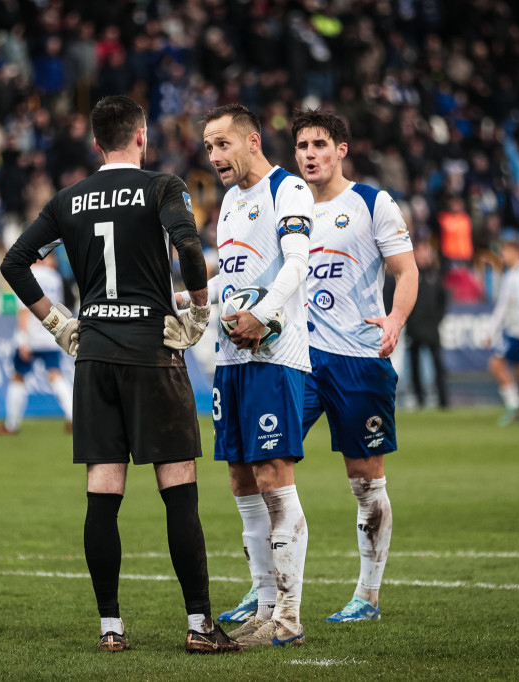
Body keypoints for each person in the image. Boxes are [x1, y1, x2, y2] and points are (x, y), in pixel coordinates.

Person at [0, 95, 240, 655]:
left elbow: (14, 261)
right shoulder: (162, 186)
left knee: (102, 491)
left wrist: (59, 323)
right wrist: (200, 312)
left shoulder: (68, 199)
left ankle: (111, 626)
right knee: (177, 488)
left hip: (95, 355)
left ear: (96, 143)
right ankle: (200, 625)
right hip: (152, 351)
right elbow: (187, 244)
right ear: (141, 137)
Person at [282, 108, 419, 623]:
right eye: (301, 147)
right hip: (296, 359)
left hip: (358, 360)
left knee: (365, 480)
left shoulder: (371, 203)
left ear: (341, 150)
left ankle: (367, 596)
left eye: (319, 145)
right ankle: (268, 591)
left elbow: (406, 271)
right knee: (261, 467)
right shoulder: (284, 205)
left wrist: (395, 319)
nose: (309, 155)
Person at [200, 103, 313, 647]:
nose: (215, 156)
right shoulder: (228, 201)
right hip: (230, 356)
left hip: (274, 353)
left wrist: (261, 316)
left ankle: (289, 616)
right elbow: (231, 272)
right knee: (241, 477)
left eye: (223, 144)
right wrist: (185, 302)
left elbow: (297, 264)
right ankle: (265, 605)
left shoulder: (286, 191)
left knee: (273, 475)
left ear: (251, 140)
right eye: (208, 147)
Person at [0, 251, 74, 435]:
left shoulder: (27, 274)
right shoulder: (55, 278)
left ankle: (11, 424)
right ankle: (72, 417)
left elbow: (24, 309)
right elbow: (59, 307)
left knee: (18, 377)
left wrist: (23, 339)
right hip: (51, 333)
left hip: (31, 334)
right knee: (56, 375)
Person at [487, 236, 519, 425]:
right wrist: (491, 331)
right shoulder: (512, 275)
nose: (501, 256)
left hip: (518, 332)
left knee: (499, 365)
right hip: (511, 331)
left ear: (516, 253)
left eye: (504, 252)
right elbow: (503, 307)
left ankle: (515, 403)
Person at [407, 241, 449, 409]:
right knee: (414, 365)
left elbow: (443, 300)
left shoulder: (436, 275)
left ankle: (443, 400)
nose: (423, 256)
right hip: (414, 328)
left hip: (432, 328)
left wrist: (437, 319)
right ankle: (419, 399)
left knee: (438, 364)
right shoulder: (409, 275)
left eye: (426, 252)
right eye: (420, 252)